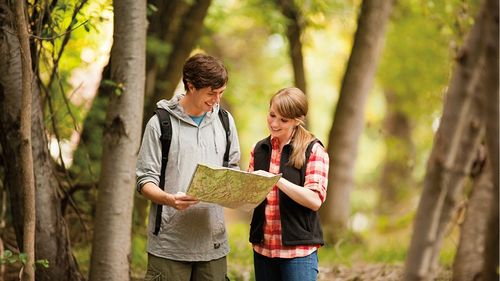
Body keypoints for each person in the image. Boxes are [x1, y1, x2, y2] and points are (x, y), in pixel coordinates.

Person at [136, 53, 241, 281]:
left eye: (220, 93)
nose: (216, 100)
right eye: (211, 94)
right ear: (190, 86)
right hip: (169, 245)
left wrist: (242, 190)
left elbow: (232, 168)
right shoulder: (159, 124)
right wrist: (169, 199)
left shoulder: (225, 121)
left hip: (213, 243)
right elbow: (145, 181)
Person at [248, 87, 330, 281]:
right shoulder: (259, 149)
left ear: (297, 120)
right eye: (272, 115)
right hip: (263, 249)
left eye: (283, 120)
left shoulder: (313, 150)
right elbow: (251, 198)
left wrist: (276, 181)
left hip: (298, 253)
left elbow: (314, 200)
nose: (274, 123)